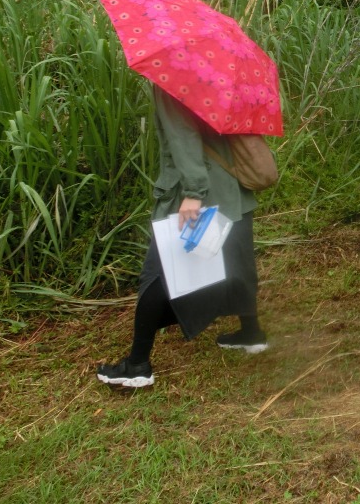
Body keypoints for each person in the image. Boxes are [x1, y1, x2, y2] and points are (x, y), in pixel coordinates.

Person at [96, 85, 267, 389]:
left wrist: (193, 193)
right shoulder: (224, 75)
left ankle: (137, 365)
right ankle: (251, 333)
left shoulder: (173, 81)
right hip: (233, 187)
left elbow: (183, 137)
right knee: (239, 264)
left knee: (158, 272)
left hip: (199, 195)